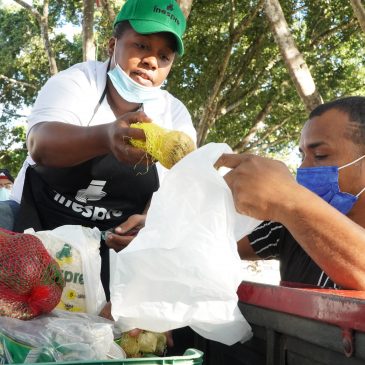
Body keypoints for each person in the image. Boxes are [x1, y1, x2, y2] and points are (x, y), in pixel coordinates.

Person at [6, 0, 196, 302]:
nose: (151, 61)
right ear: (112, 45)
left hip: (110, 243)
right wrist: (106, 136)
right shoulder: (77, 82)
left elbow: (183, 186)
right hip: (35, 224)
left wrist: (149, 221)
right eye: (141, 45)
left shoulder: (174, 116)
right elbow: (40, 145)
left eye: (164, 56)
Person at [216, 96, 365, 291]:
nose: (303, 167)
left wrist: (289, 199)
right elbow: (210, 240)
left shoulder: (293, 211)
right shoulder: (288, 226)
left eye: (320, 155)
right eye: (302, 155)